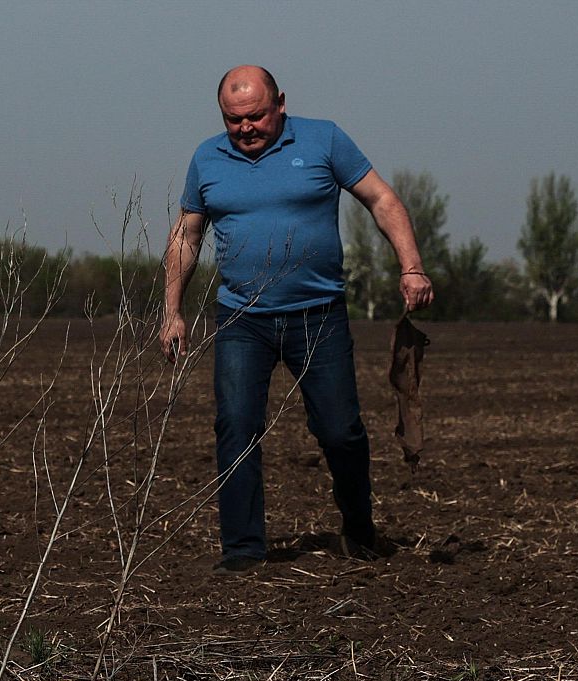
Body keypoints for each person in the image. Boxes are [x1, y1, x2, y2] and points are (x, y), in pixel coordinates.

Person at [158, 65, 433, 574]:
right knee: (236, 425)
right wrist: (172, 310)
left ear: (280, 102)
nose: (245, 128)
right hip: (242, 319)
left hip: (318, 317)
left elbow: (382, 199)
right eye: (233, 119)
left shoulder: (324, 139)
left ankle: (358, 528)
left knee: (339, 431)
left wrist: (411, 266)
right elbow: (187, 235)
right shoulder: (206, 157)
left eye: (256, 116)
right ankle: (243, 550)